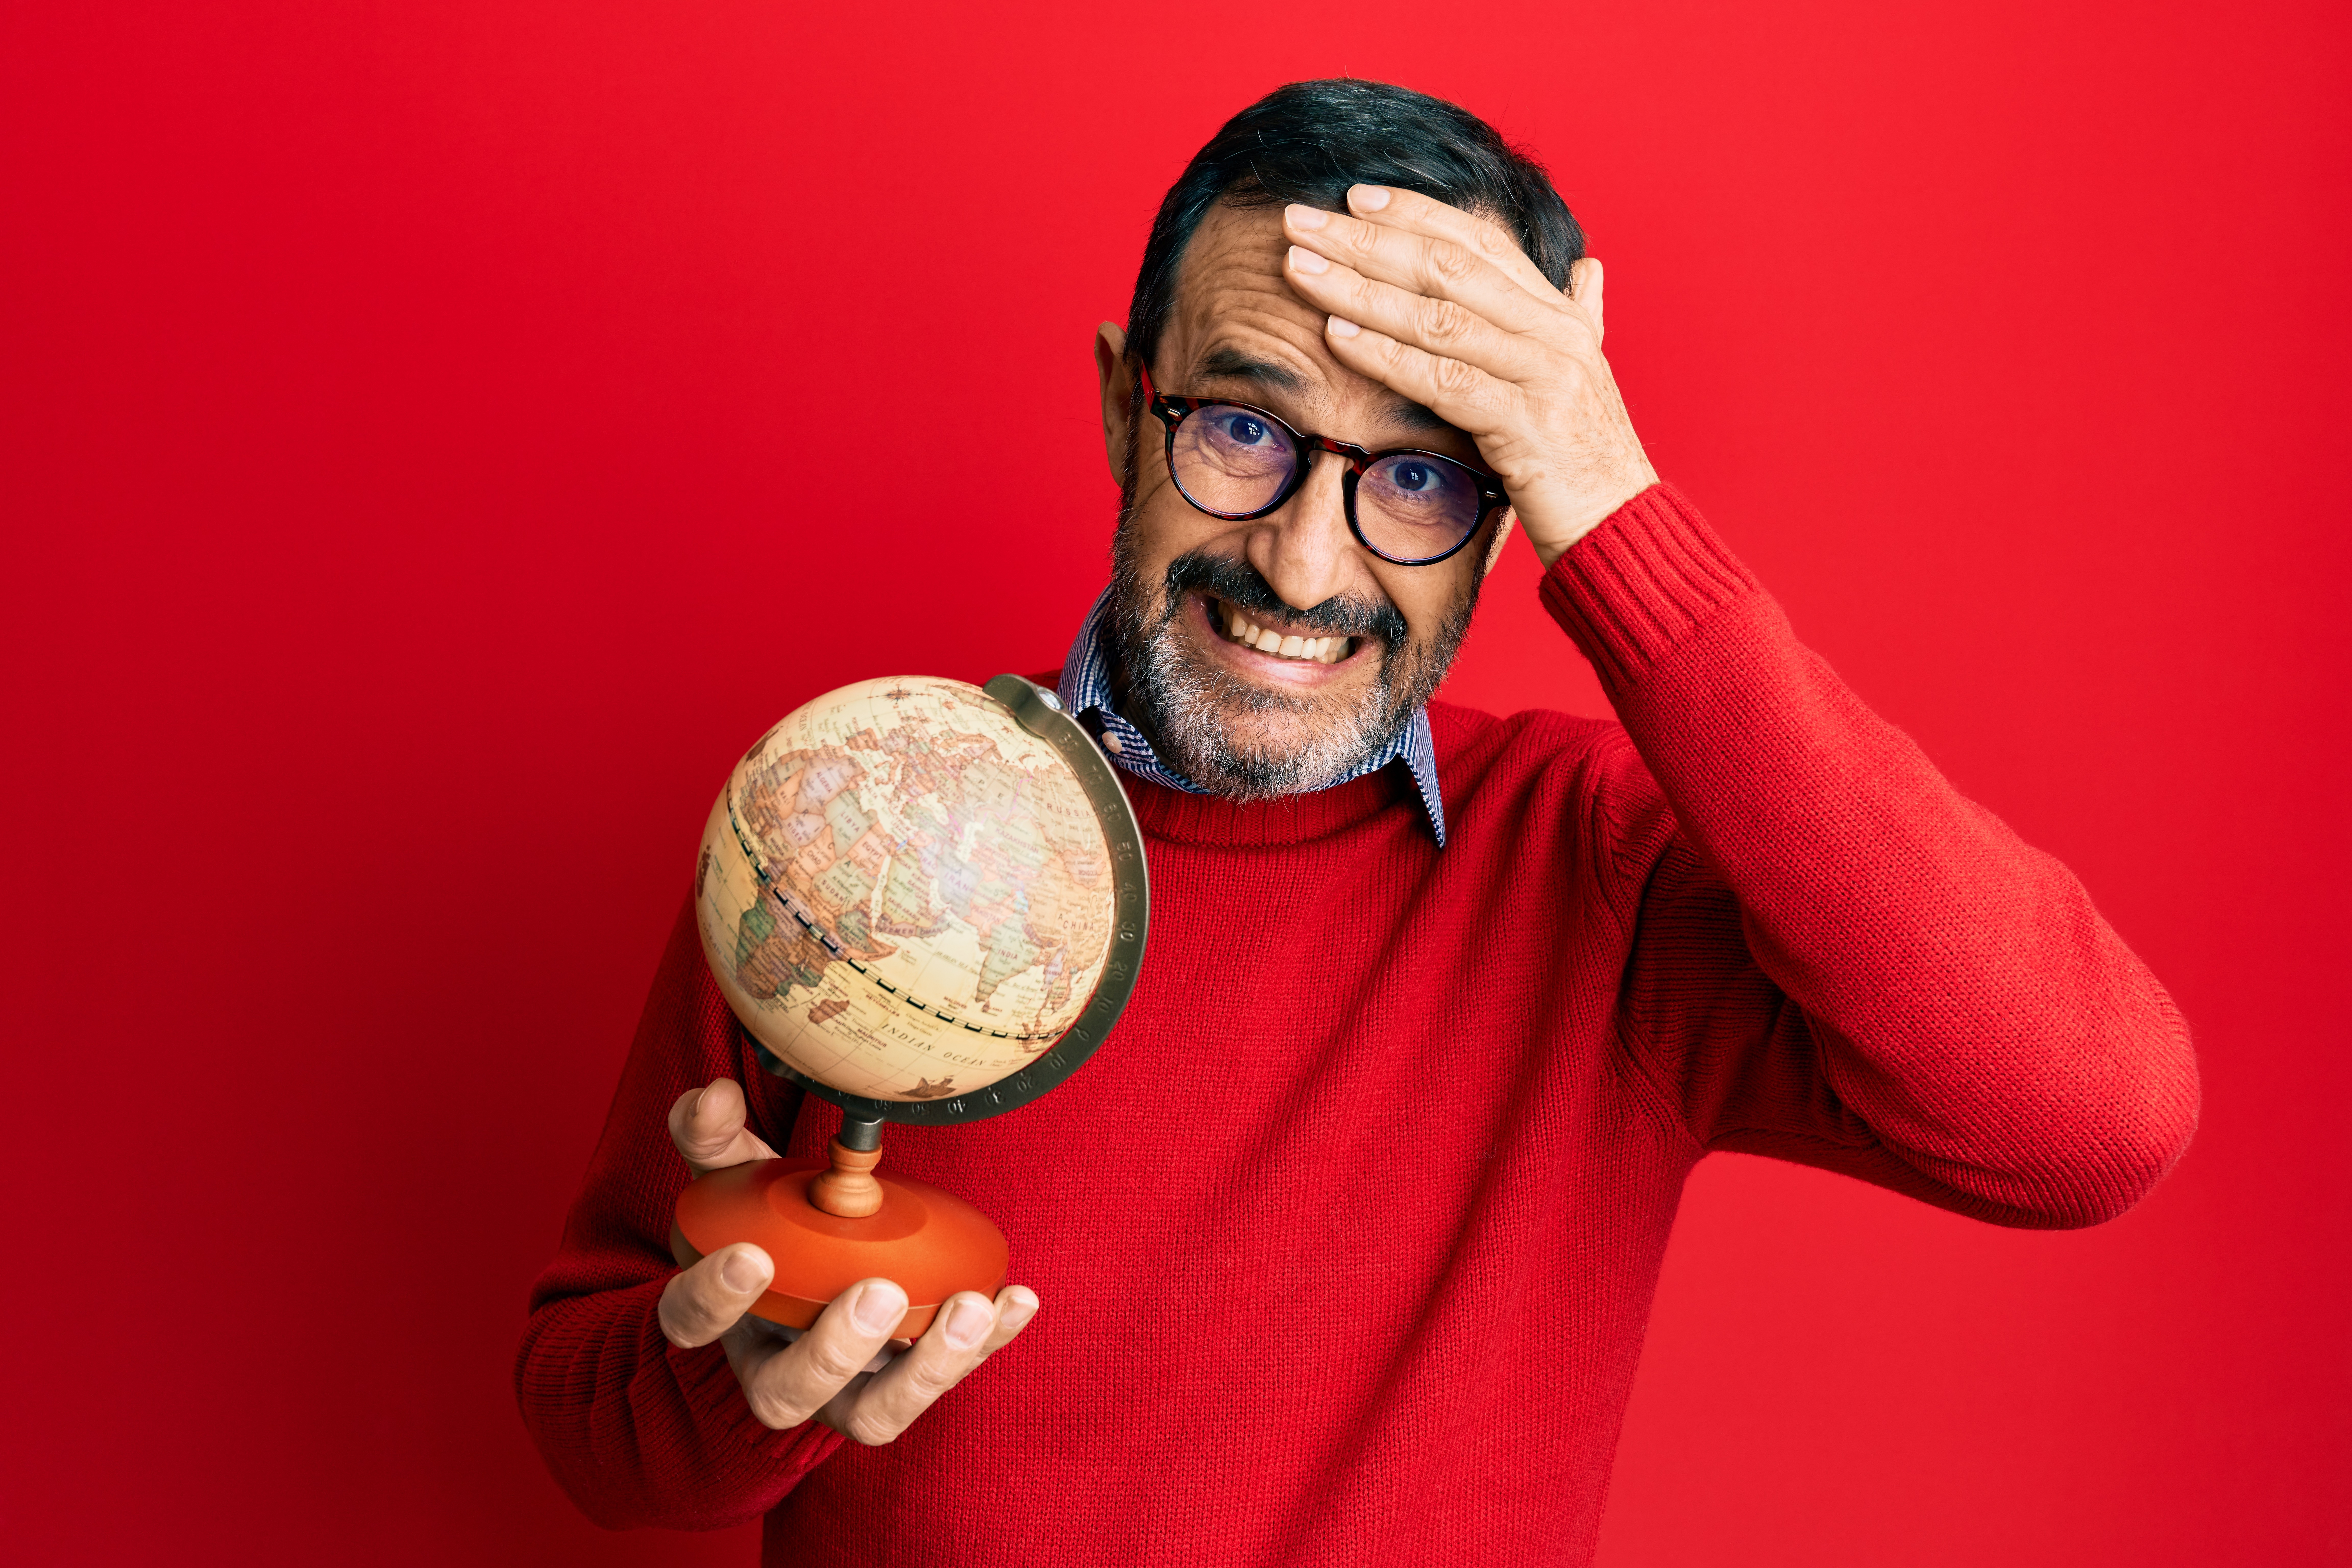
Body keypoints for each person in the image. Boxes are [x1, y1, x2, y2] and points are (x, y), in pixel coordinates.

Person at [515, 78, 2199, 1565]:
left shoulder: (1591, 870)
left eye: (1423, 476)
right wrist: (736, 1387)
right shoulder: (874, 822)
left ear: (1508, 507)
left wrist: (1617, 511)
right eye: (1243, 430)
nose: (1309, 570)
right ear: (1126, 405)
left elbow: (2086, 1119)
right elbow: (588, 1416)